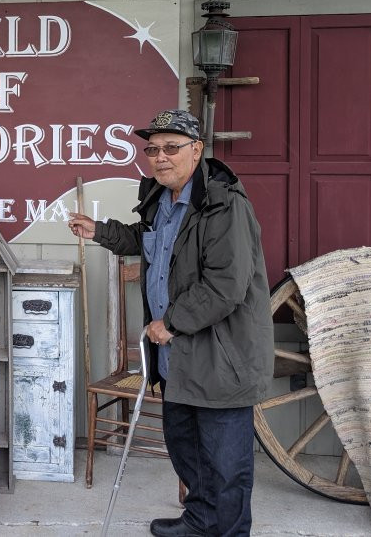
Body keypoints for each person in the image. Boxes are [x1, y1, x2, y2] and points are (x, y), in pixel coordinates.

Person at [69, 108, 273, 537]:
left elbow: (226, 286)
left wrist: (171, 322)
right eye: (152, 149)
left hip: (219, 355)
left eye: (171, 148)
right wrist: (99, 231)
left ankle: (229, 531)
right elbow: (147, 244)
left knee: (225, 462)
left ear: (196, 150)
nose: (160, 157)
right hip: (175, 357)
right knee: (186, 448)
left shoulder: (222, 205)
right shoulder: (160, 200)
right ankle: (200, 521)